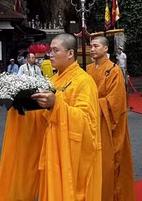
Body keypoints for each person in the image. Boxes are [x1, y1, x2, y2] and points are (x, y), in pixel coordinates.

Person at [27, 33, 102, 200]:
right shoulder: (53, 80)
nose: (50, 55)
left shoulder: (84, 81)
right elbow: (45, 115)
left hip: (72, 155)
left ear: (70, 53)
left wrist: (56, 105)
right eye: (50, 51)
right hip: (54, 149)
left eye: (55, 50)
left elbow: (86, 121)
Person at [86, 36, 135, 200]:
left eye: (96, 46)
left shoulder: (114, 70)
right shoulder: (88, 69)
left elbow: (116, 102)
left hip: (107, 123)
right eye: (91, 46)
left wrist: (91, 103)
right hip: (90, 121)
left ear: (105, 48)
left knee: (110, 163)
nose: (92, 49)